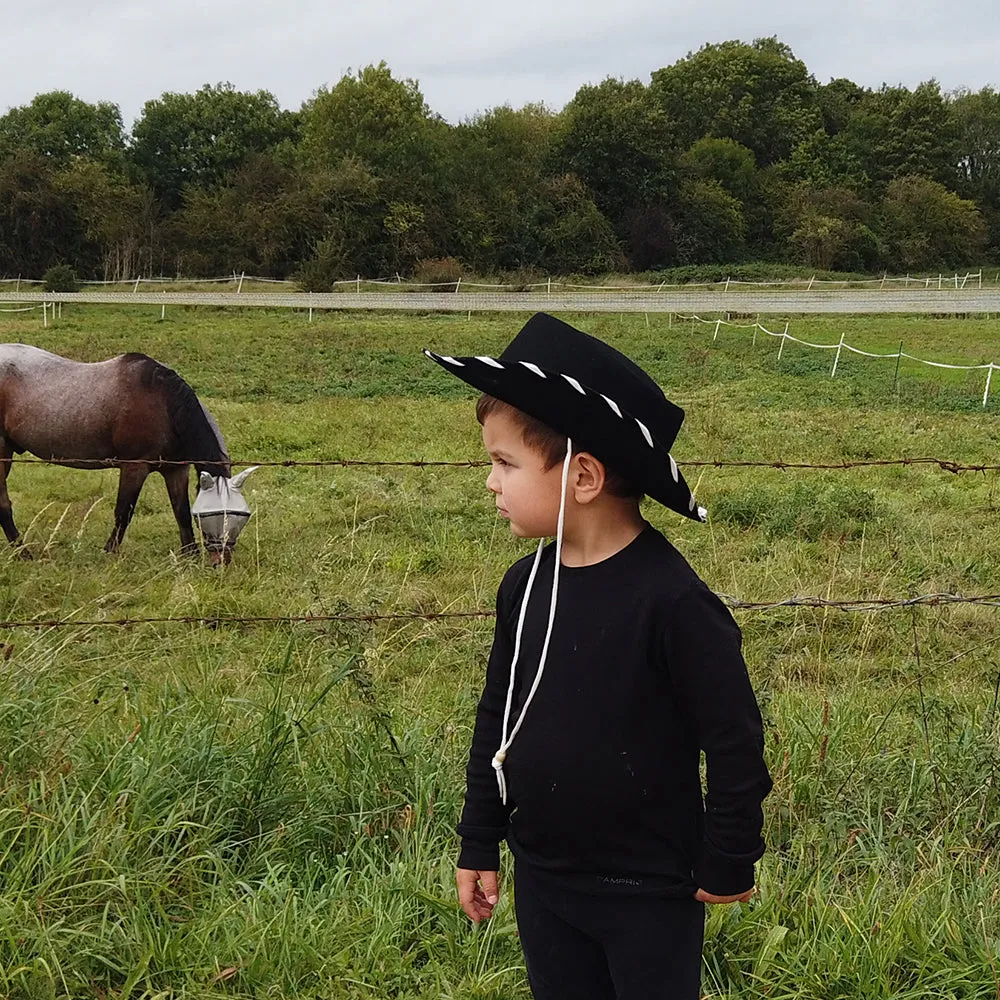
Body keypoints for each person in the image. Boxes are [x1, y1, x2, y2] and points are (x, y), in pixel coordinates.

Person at [424, 313, 773, 1000]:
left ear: (582, 476)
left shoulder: (674, 603)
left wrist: (729, 857)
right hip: (545, 880)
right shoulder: (524, 587)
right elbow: (499, 718)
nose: (489, 482)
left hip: (649, 894)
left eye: (503, 463)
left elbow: (735, 741)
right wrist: (478, 840)